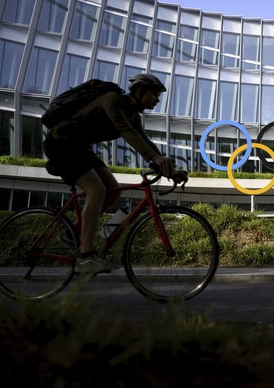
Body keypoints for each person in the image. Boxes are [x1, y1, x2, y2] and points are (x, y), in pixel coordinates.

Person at [43, 73, 177, 275]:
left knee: (113, 190)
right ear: (139, 91)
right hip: (61, 143)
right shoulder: (112, 100)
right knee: (96, 190)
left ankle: (72, 234)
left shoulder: (134, 116)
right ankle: (86, 258)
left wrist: (172, 171)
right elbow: (126, 132)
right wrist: (156, 160)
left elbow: (146, 142)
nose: (157, 100)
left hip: (80, 148)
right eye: (154, 95)